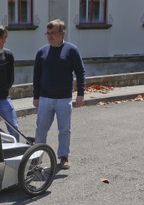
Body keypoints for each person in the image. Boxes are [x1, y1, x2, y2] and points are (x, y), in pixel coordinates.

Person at [33, 19, 85, 170]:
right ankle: (37, 160)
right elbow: (36, 76)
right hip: (45, 98)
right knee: (41, 130)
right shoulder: (41, 52)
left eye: (53, 33)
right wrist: (36, 96)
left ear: (62, 33)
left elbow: (80, 72)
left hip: (64, 98)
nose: (49, 36)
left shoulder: (71, 50)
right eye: (47, 33)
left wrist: (81, 93)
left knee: (64, 130)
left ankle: (63, 157)